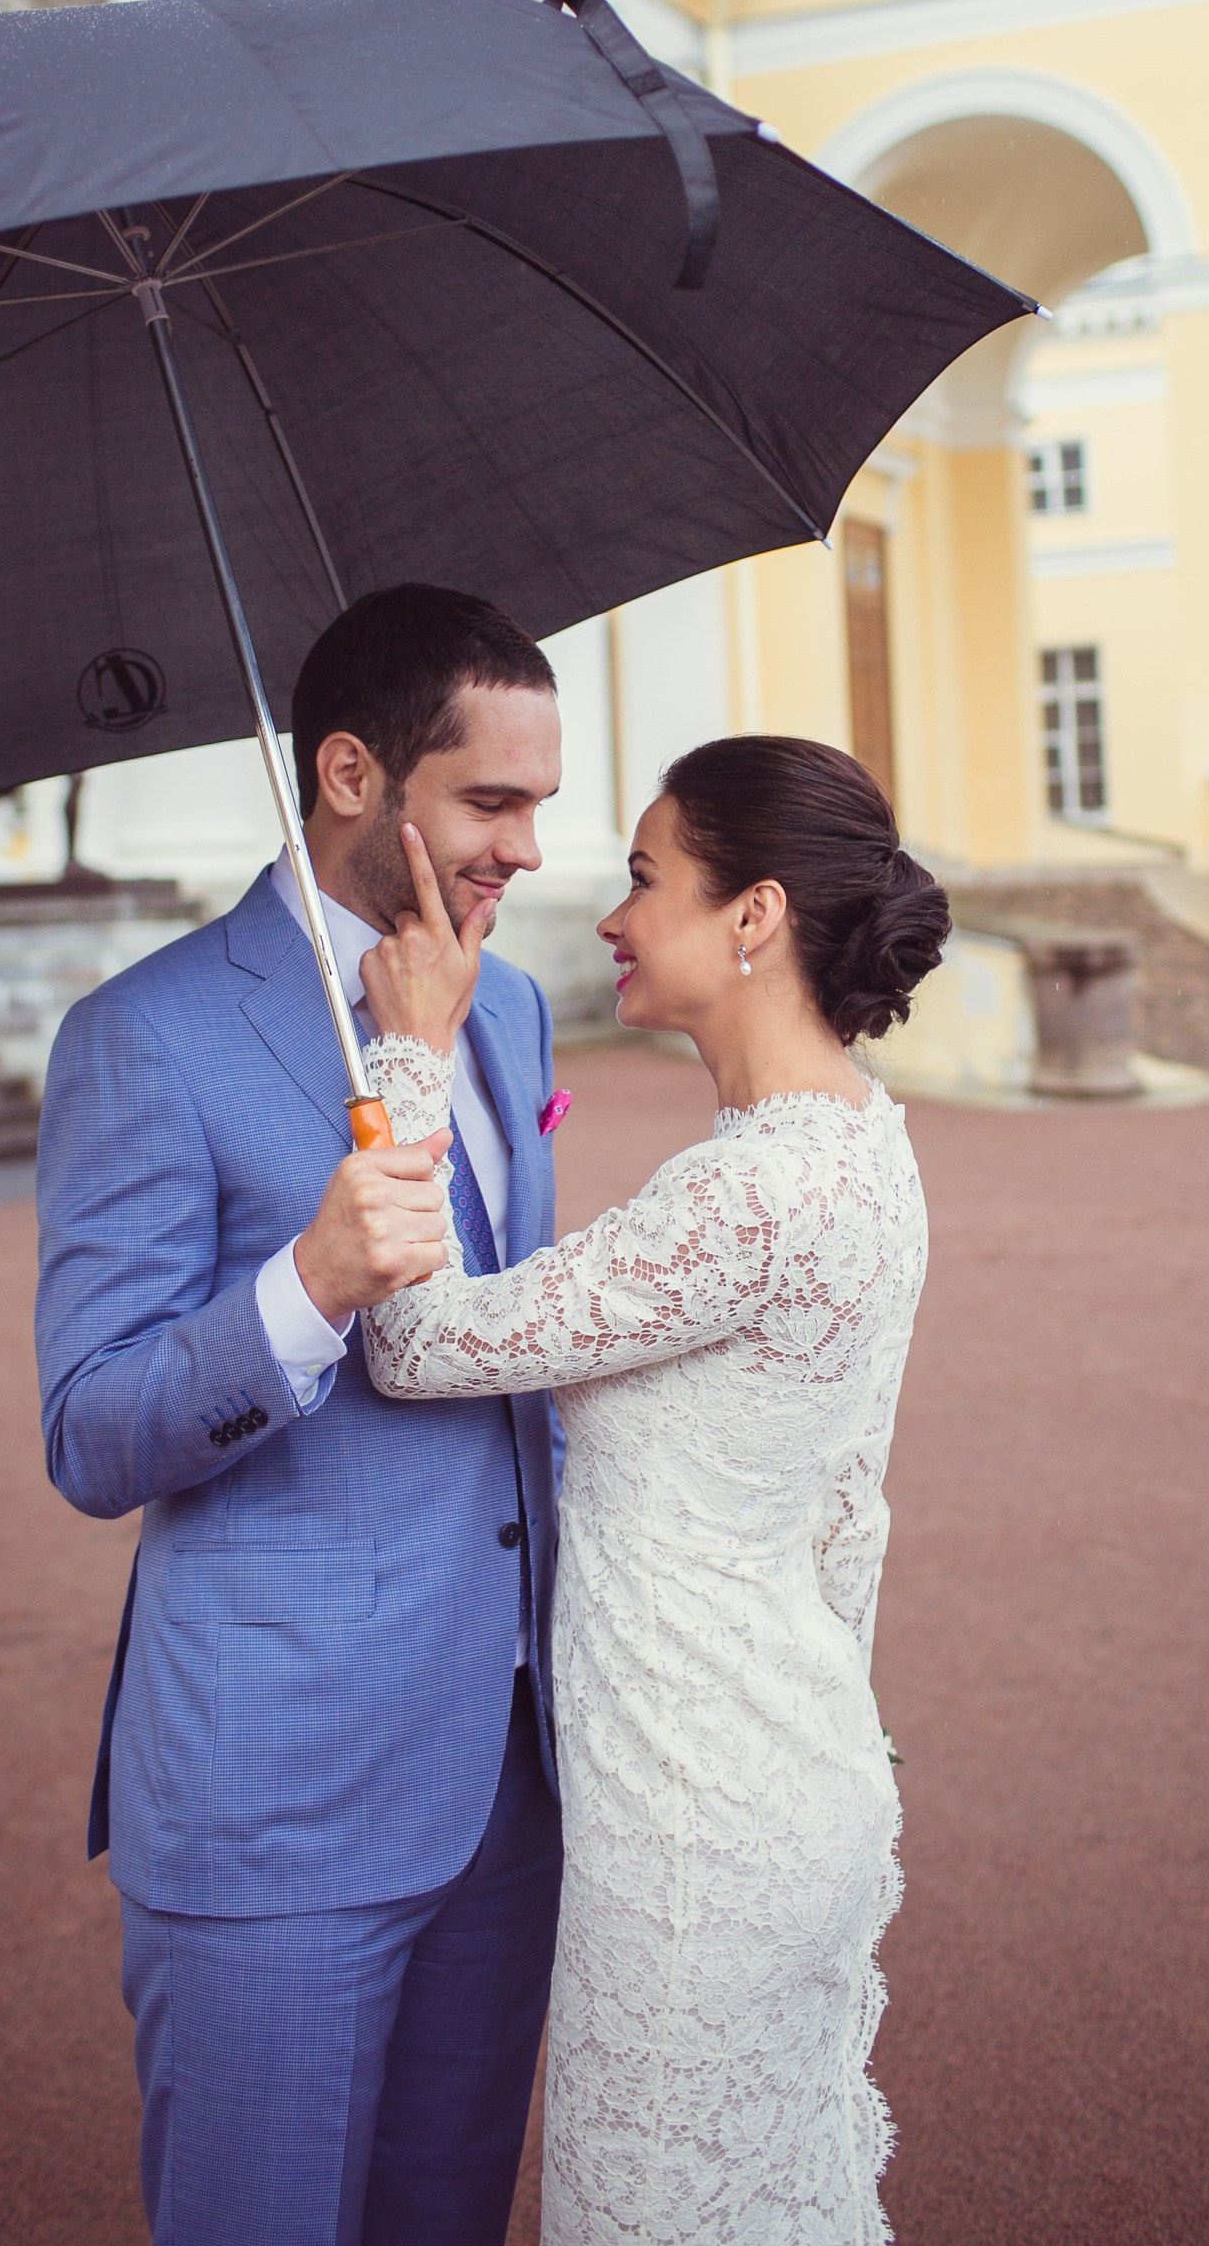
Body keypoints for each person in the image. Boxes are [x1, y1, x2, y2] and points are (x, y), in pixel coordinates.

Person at [357, 734, 950, 2246]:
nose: (611, 917)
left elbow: (415, 1343)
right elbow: (848, 1512)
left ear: (753, 915)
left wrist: (413, 1053)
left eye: (643, 878)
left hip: (697, 1830)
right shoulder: (866, 1145)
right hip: (794, 1765)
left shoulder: (746, 1195)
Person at [34, 584, 568, 2246]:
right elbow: (90, 1431)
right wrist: (308, 1288)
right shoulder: (146, 1037)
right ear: (349, 773)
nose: (526, 849)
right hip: (279, 1798)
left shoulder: (510, 1007)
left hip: (509, 1775)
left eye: (539, 805)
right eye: (491, 802)